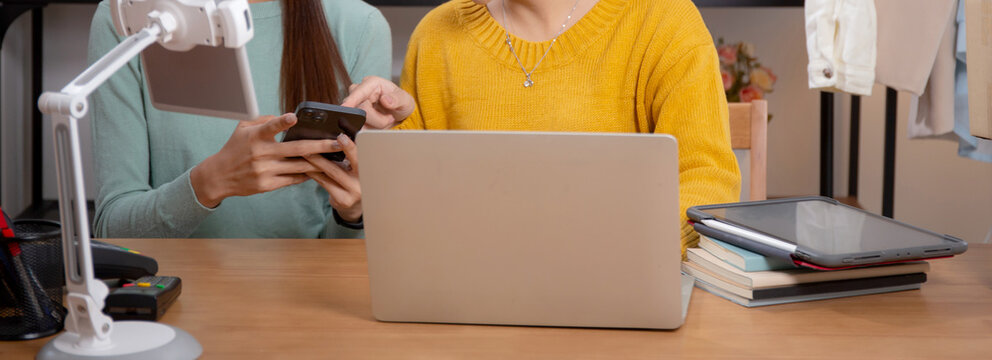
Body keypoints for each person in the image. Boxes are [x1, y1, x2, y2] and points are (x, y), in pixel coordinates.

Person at [325, 0, 742, 255]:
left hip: (617, 297)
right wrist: (366, 194)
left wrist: (620, 261)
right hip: (470, 303)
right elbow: (418, 214)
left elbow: (707, 181)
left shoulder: (665, 20)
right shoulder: (436, 34)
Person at [87, 0, 389, 238]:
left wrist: (353, 215)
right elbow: (114, 230)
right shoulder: (132, 16)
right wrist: (208, 183)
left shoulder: (359, 26)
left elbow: (355, 262)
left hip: (309, 299)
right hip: (170, 296)